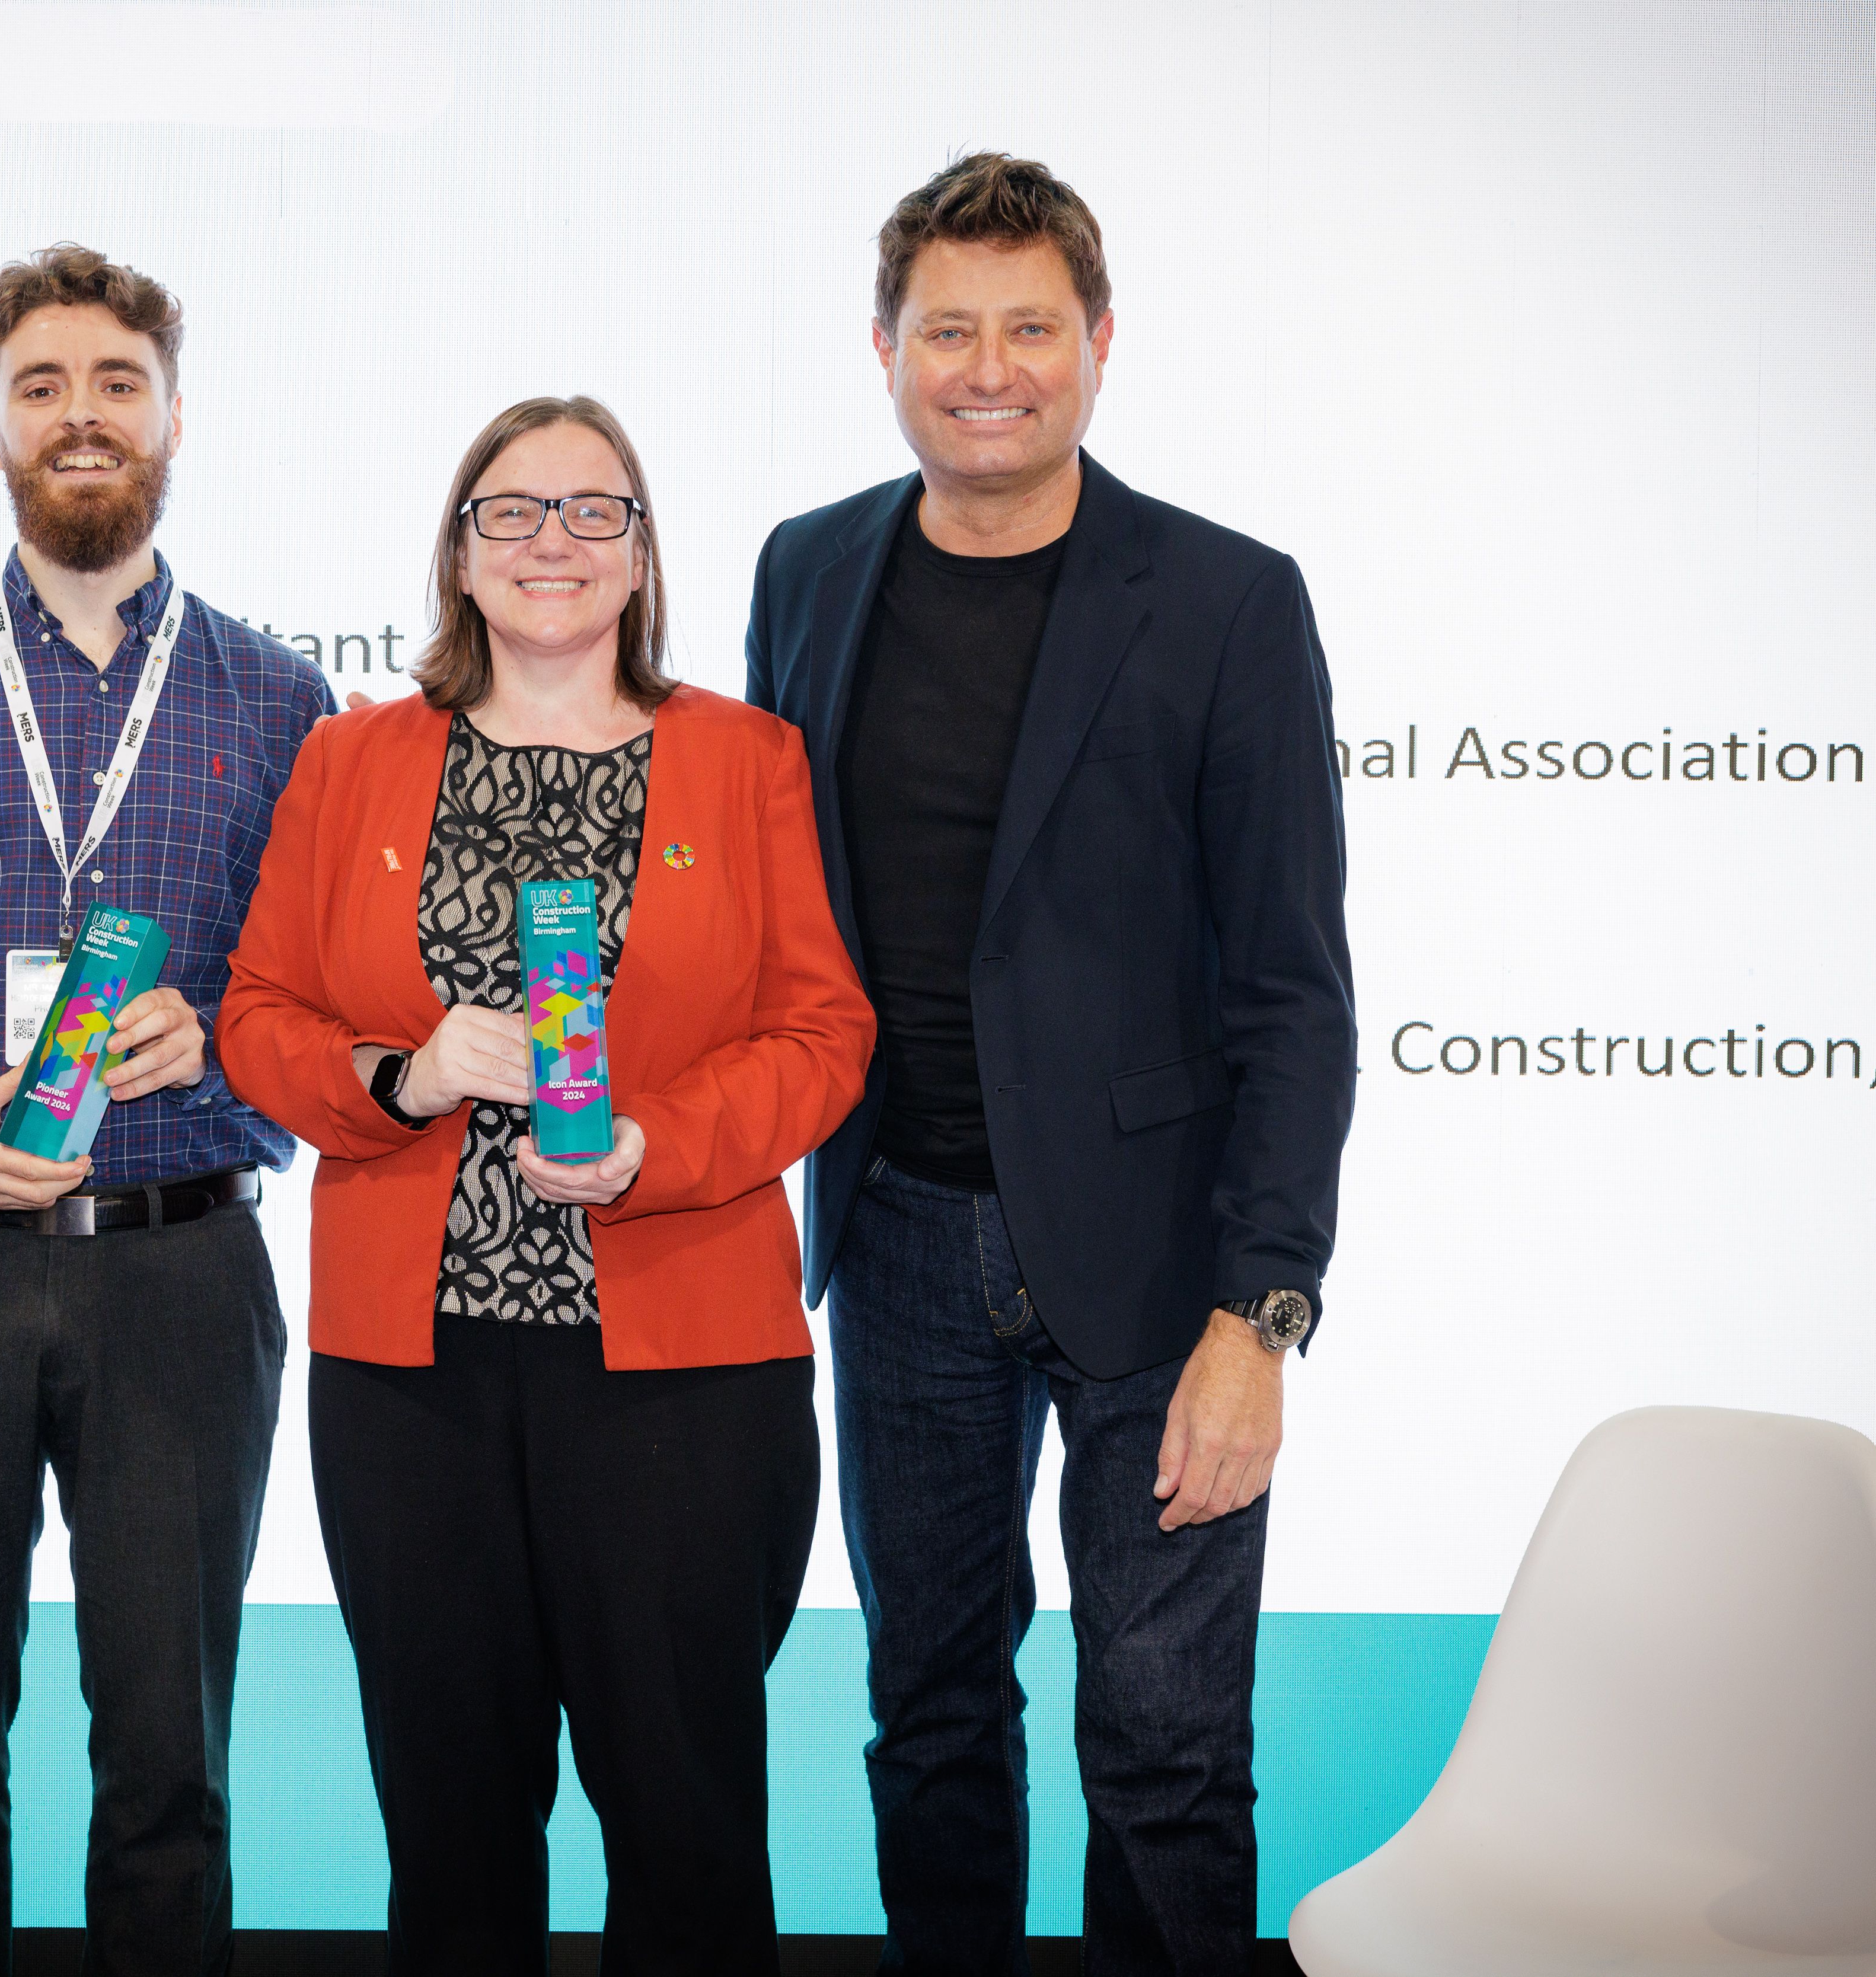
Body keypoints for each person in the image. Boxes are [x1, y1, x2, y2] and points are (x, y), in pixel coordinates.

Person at [745, 154, 1356, 1973]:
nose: (988, 367)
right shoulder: (809, 569)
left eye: (1030, 327)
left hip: (1165, 1267)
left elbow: (1295, 994)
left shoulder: (1231, 600)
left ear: (1099, 344)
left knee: (1165, 1752)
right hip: (902, 1243)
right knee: (929, 1719)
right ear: (885, 348)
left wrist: (1264, 1312)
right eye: (950, 329)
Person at [219, 396, 874, 1975]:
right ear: (457, 554)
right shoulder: (353, 760)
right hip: (416, 1382)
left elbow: (821, 1033)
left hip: (682, 1384)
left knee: (689, 1826)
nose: (556, 544)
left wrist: (663, 1144)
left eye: (599, 512)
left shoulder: (748, 760)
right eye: (513, 512)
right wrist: (406, 1078)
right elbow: (259, 1018)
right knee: (450, 1830)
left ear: (646, 555)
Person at [0, 244, 330, 1976]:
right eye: (43, 387)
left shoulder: (282, 700)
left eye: (116, 383)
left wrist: (229, 1045)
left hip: (180, 1274)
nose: (80, 415)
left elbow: (321, 1017)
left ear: (177, 417)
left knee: (168, 1765)